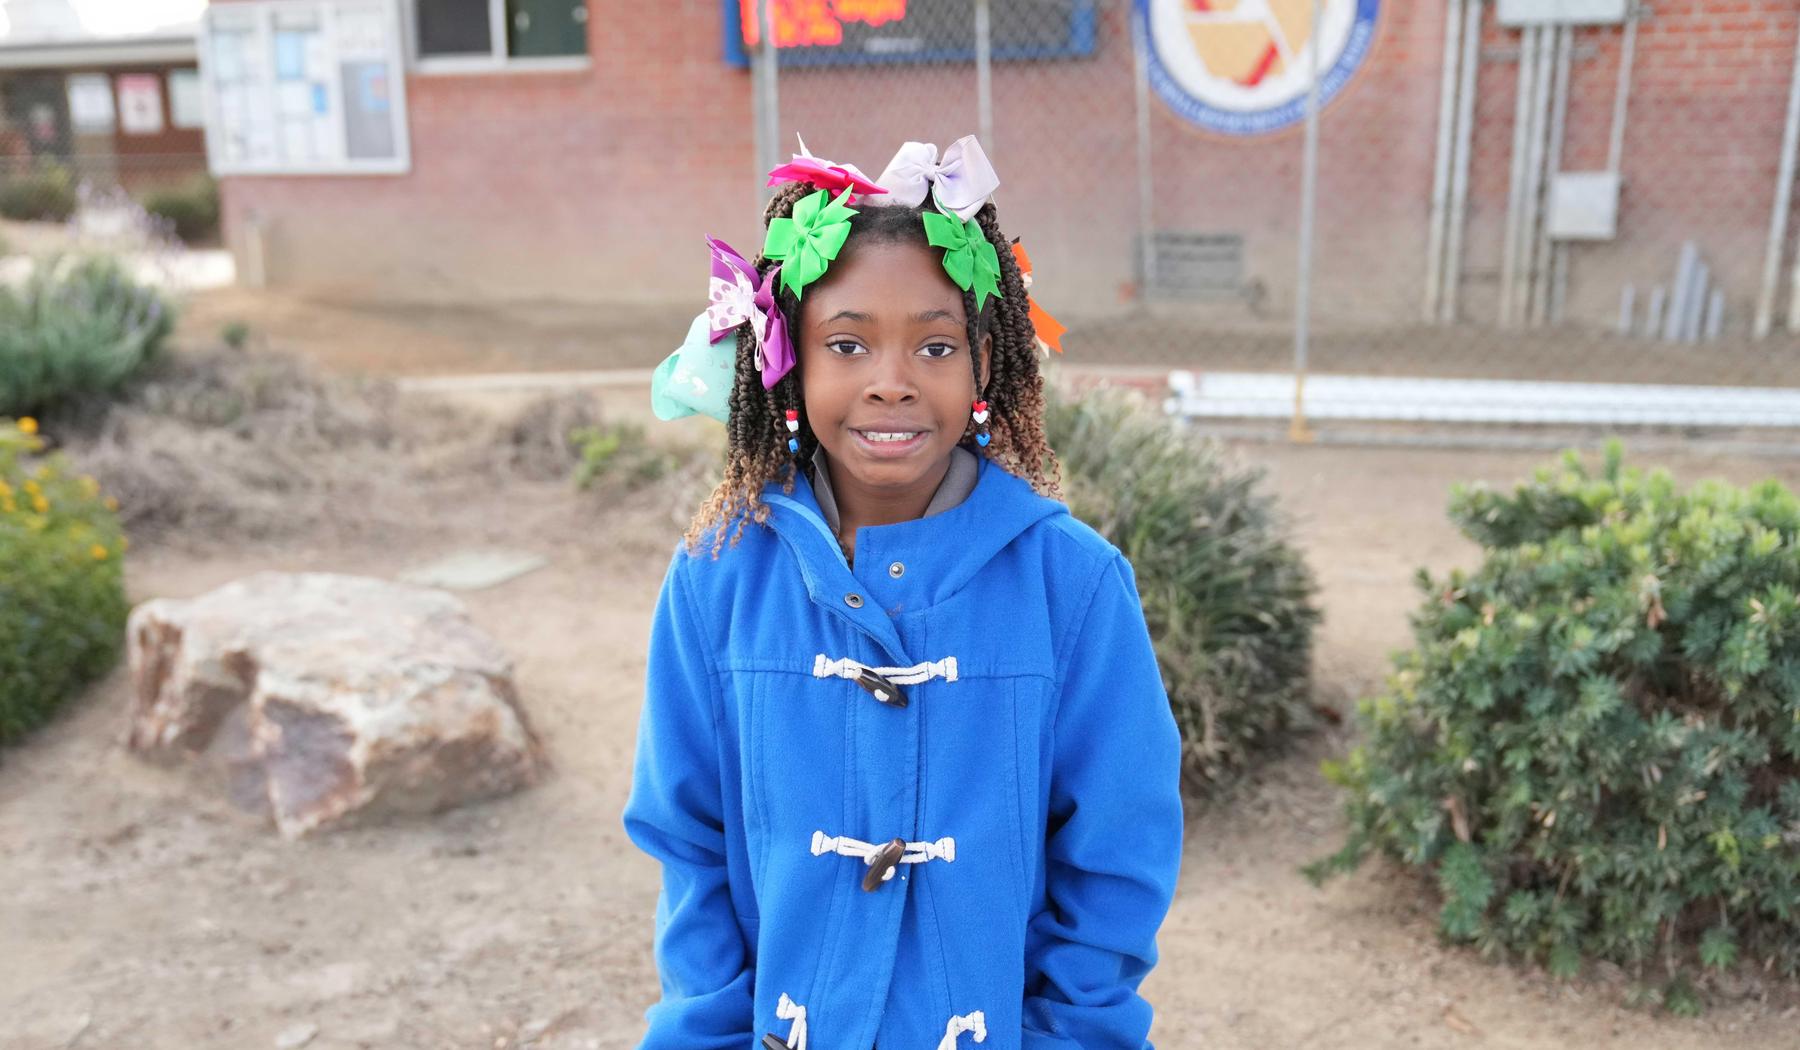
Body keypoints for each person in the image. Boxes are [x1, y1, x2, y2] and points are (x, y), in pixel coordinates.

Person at [624, 135, 1184, 1050]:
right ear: (788, 366)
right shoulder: (715, 576)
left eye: (934, 344)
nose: (891, 382)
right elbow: (687, 842)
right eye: (847, 344)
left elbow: (1118, 855)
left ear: (985, 368)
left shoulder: (1075, 586)